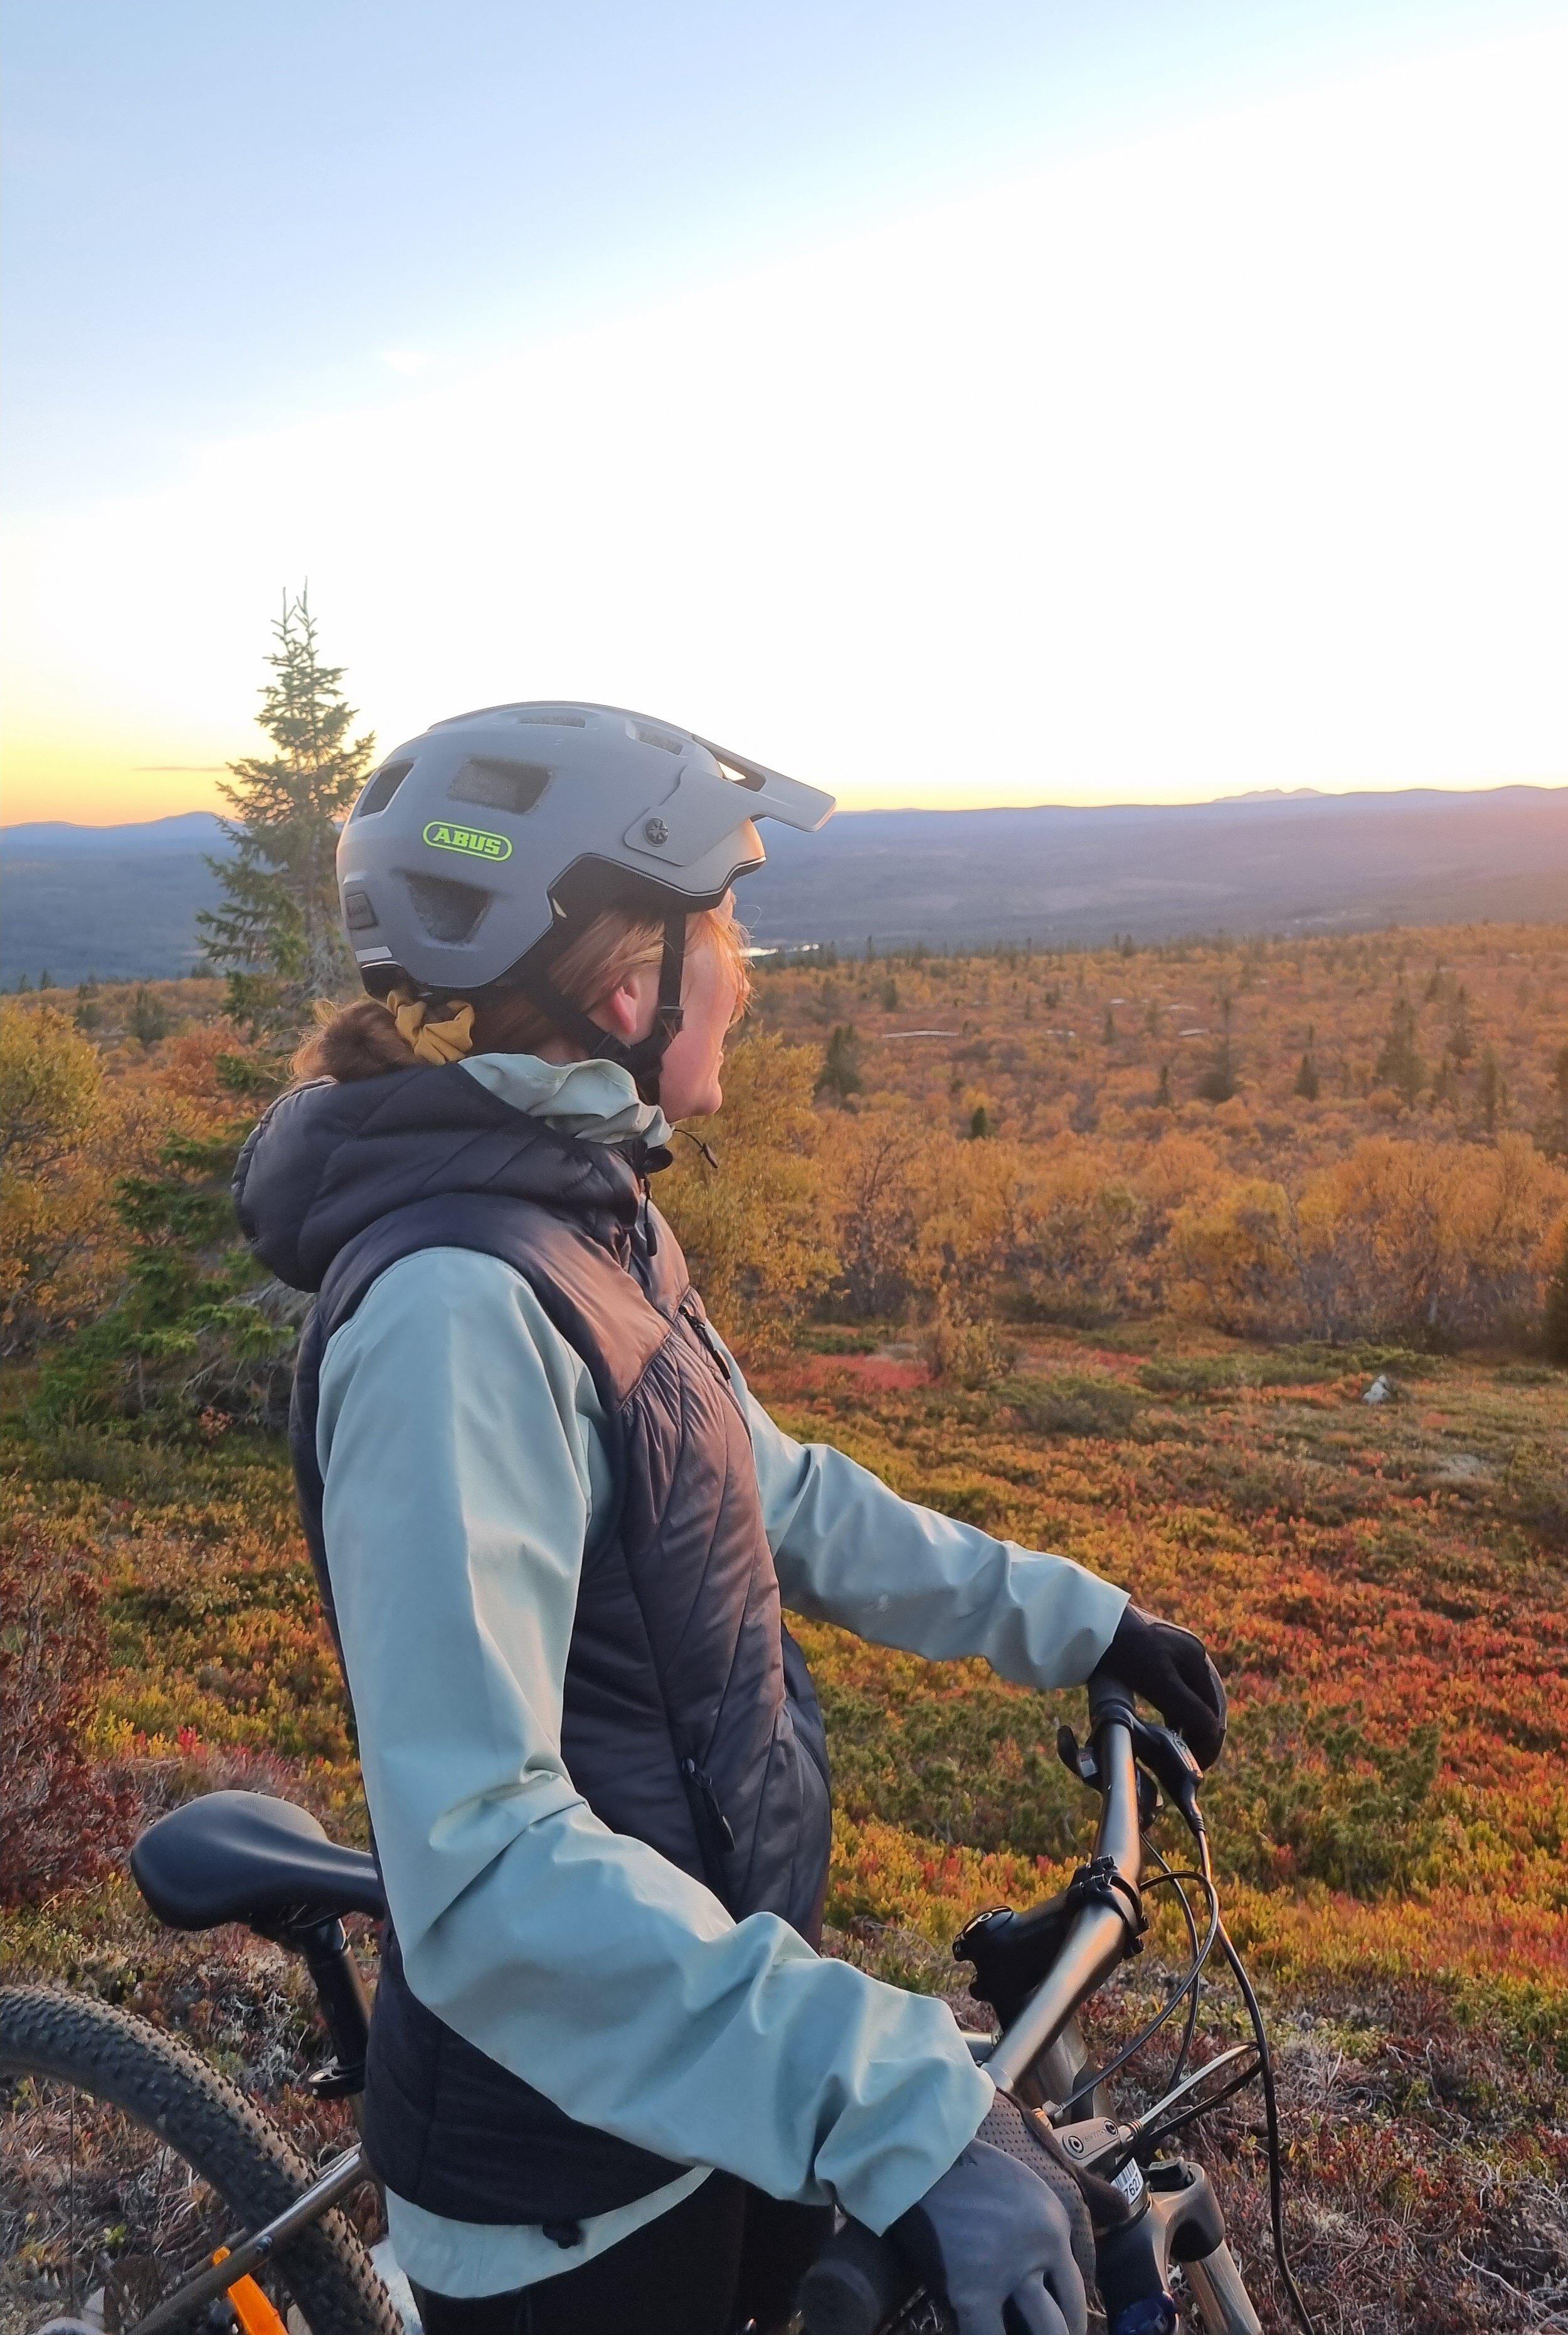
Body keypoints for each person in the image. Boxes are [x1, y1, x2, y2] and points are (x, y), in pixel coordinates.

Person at [235, 703, 1227, 2335]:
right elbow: (483, 1867)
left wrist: (1078, 1622)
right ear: (627, 990)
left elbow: (781, 1497)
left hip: (691, 2091)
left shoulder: (584, 1220)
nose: (747, 973)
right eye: (724, 929)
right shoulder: (452, 1316)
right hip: (564, 2193)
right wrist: (889, 2092)